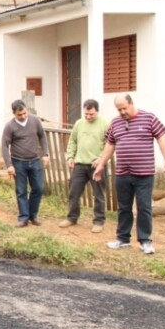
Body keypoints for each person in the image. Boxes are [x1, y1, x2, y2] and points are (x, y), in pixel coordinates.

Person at [93, 94, 165, 255]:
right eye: (119, 109)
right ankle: (123, 239)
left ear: (131, 103)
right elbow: (110, 144)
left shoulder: (149, 118)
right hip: (123, 173)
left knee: (144, 207)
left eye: (124, 108)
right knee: (124, 207)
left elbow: (161, 139)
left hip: (144, 173)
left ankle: (145, 241)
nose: (122, 112)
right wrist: (101, 164)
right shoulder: (115, 123)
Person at [60, 99, 110, 233]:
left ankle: (99, 221)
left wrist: (101, 159)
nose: (88, 117)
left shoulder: (105, 124)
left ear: (97, 111)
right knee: (73, 193)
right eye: (86, 114)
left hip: (96, 166)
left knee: (98, 195)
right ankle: (72, 217)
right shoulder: (79, 123)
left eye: (91, 114)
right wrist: (70, 156)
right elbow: (73, 141)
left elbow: (109, 145)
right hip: (80, 164)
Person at [1, 99, 49, 227]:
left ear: (26, 110)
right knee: (21, 190)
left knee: (38, 188)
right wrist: (9, 165)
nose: (22, 116)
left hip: (34, 160)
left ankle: (33, 215)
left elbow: (42, 136)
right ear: (13, 113)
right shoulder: (10, 126)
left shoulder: (34, 121)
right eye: (19, 115)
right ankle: (23, 217)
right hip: (18, 162)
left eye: (24, 113)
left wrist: (45, 154)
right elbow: (5, 146)